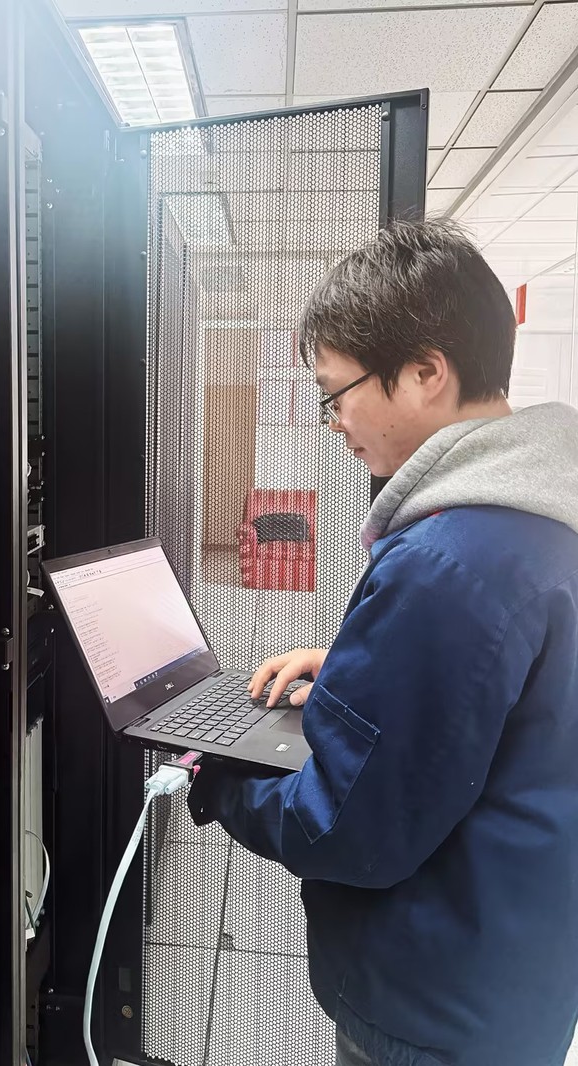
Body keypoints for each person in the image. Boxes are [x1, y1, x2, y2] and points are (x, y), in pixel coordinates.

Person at [187, 218, 578, 1066]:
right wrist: (357, 670)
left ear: (426, 372)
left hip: (433, 1005)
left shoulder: (449, 560)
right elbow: (524, 698)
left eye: (337, 393)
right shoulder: (546, 518)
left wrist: (215, 774)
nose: (333, 421)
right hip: (516, 964)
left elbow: (350, 831)